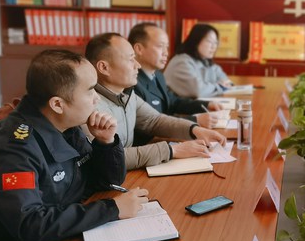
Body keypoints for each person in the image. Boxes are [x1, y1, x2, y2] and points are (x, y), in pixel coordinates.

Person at [0, 49, 149, 241]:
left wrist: (105, 143)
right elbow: (30, 224)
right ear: (58, 104)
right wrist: (112, 209)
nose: (97, 98)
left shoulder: (65, 125)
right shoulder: (13, 151)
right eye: (90, 90)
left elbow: (106, 182)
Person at [85, 33, 226, 170]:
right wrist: (172, 150)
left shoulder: (126, 94)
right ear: (104, 68)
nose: (137, 65)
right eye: (130, 59)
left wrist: (194, 129)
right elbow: (106, 158)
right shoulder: (88, 105)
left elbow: (154, 120)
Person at [128, 22, 223, 144]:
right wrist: (195, 120)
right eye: (160, 46)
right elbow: (153, 122)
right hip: (150, 144)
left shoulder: (158, 75)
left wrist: (207, 104)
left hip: (165, 139)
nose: (166, 53)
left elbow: (174, 102)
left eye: (166, 47)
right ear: (139, 49)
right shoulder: (131, 83)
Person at [164, 23, 233, 98]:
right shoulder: (181, 62)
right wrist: (219, 86)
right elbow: (198, 91)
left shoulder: (207, 62)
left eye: (216, 43)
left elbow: (227, 83)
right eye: (209, 41)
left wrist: (218, 86)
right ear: (196, 41)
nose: (213, 47)